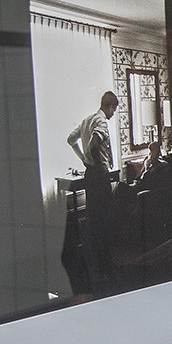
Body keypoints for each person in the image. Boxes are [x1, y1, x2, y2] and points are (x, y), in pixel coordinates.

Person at [64, 91, 119, 297]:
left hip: (89, 174)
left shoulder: (87, 119)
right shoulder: (102, 122)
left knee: (94, 221)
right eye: (114, 109)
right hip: (98, 176)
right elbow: (95, 144)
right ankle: (106, 269)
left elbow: (71, 139)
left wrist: (84, 161)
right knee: (102, 221)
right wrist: (99, 165)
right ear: (110, 106)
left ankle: (97, 269)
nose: (113, 114)